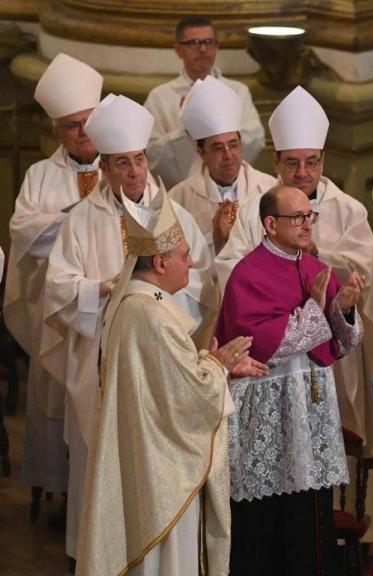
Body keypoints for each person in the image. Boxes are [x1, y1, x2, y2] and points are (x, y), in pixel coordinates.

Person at [39, 93, 215, 564]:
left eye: (138, 160)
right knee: (101, 454)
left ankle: (158, 553)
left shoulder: (175, 215)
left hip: (160, 356)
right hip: (103, 358)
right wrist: (101, 290)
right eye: (122, 163)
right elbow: (57, 287)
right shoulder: (82, 219)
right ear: (108, 167)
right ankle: (98, 552)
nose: (134, 171)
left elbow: (198, 279)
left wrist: (154, 305)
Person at [215, 85, 373, 539]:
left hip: (325, 371)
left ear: (324, 161)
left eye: (312, 162)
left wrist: (323, 271)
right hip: (270, 377)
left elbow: (358, 273)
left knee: (316, 489)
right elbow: (234, 272)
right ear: (277, 164)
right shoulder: (262, 212)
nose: (303, 171)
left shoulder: (348, 209)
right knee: (275, 496)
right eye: (292, 162)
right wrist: (282, 261)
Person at [76, 193, 267, 576]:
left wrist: (215, 366)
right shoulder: (151, 315)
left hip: (149, 454)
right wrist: (218, 364)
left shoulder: (134, 304)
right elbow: (187, 397)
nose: (191, 262)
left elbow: (167, 380)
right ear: (161, 262)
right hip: (162, 471)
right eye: (184, 255)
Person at [216, 184, 364, 575]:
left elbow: (342, 343)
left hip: (311, 415)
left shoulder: (317, 269)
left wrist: (344, 310)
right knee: (264, 525)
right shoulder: (247, 274)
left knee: (310, 522)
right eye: (296, 217)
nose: (306, 224)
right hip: (267, 416)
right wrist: (317, 310)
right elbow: (265, 343)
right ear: (270, 223)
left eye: (309, 216)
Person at [4, 53, 101, 518]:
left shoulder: (125, 166)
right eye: (71, 125)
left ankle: (97, 491)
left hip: (106, 310)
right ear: (57, 131)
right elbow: (24, 230)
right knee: (55, 398)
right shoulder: (40, 176)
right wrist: (76, 222)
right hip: (57, 309)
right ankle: (58, 488)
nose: (82, 133)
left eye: (88, 122)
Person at [144, 16, 265, 188]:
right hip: (182, 193)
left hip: (234, 188)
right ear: (178, 50)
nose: (202, 49)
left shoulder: (237, 91)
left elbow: (255, 139)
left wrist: (220, 131)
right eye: (193, 43)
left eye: (208, 42)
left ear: (217, 46)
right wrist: (187, 129)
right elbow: (151, 153)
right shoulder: (160, 97)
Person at [169, 76, 276, 261]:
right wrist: (215, 239)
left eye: (233, 145)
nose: (228, 155)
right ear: (201, 152)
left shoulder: (270, 189)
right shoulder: (179, 199)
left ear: (241, 146)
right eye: (218, 148)